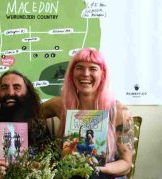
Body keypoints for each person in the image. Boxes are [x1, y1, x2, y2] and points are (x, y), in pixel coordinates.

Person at [42, 48, 134, 178]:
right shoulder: (61, 104)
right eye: (79, 68)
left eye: (93, 68)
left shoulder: (120, 111)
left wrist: (100, 167)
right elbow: (29, 116)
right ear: (72, 73)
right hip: (70, 173)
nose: (85, 73)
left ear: (102, 74)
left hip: (106, 173)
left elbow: (126, 164)